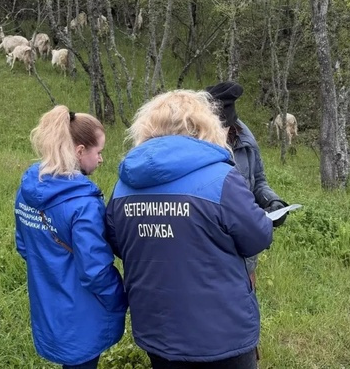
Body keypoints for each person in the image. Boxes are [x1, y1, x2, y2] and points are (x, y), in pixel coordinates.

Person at [106, 90, 273, 368]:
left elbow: (118, 241)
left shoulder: (124, 186)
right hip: (222, 332)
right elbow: (257, 237)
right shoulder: (220, 178)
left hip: (158, 330)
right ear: (203, 126)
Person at [14, 105, 127, 369]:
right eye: (98, 152)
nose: (101, 160)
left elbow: (24, 246)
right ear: (80, 151)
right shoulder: (83, 205)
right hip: (82, 311)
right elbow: (95, 270)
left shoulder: (28, 190)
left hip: (47, 302)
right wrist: (119, 299)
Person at [205, 81, 290, 289]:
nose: (222, 133)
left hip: (244, 253)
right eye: (218, 127)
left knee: (245, 311)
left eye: (226, 127)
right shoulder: (196, 148)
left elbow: (258, 180)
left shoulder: (245, 140)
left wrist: (272, 201)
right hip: (209, 254)